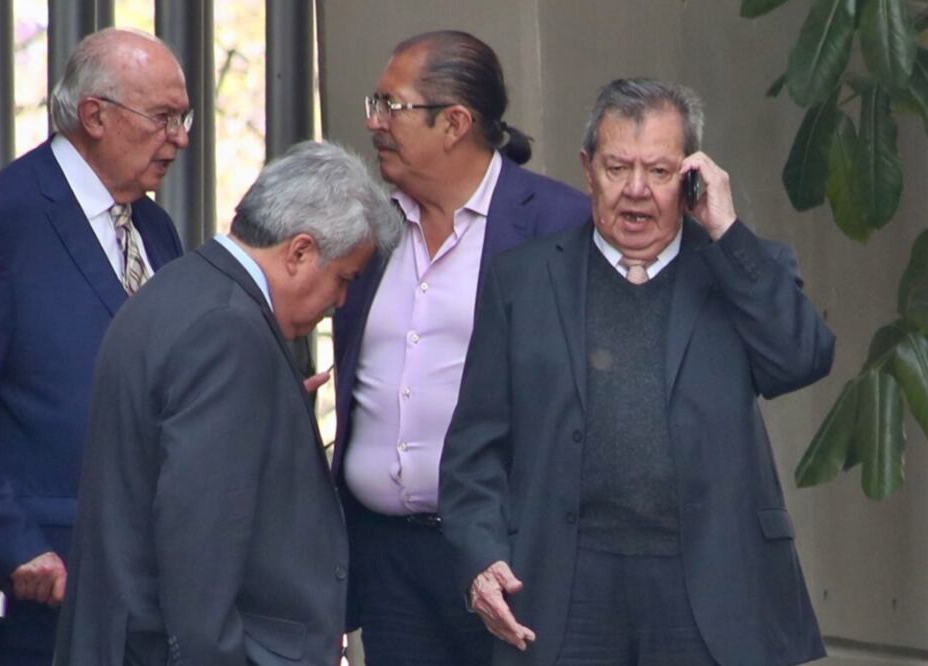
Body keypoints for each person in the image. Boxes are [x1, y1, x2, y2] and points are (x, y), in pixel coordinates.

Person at [439, 77, 835, 666]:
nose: (636, 192)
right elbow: (474, 449)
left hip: (712, 587)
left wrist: (725, 231)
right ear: (586, 168)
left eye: (659, 171)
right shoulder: (521, 282)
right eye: (617, 167)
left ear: (692, 177)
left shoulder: (739, 267)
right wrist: (481, 557)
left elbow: (801, 359)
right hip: (563, 589)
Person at [52, 141, 402, 666]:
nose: (341, 302)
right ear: (300, 251)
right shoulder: (229, 331)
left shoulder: (182, 290)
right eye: (344, 278)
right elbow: (200, 539)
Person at [331, 30, 591, 665]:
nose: (373, 122)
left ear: (454, 123)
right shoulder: (364, 225)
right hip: (385, 558)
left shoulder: (559, 225)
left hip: (509, 558)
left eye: (391, 106)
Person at [0, 27, 189, 665]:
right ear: (95, 115)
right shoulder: (3, 219)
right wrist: (11, 540)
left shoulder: (154, 228)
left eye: (183, 118)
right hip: (44, 589)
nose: (181, 138)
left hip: (148, 589)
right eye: (163, 118)